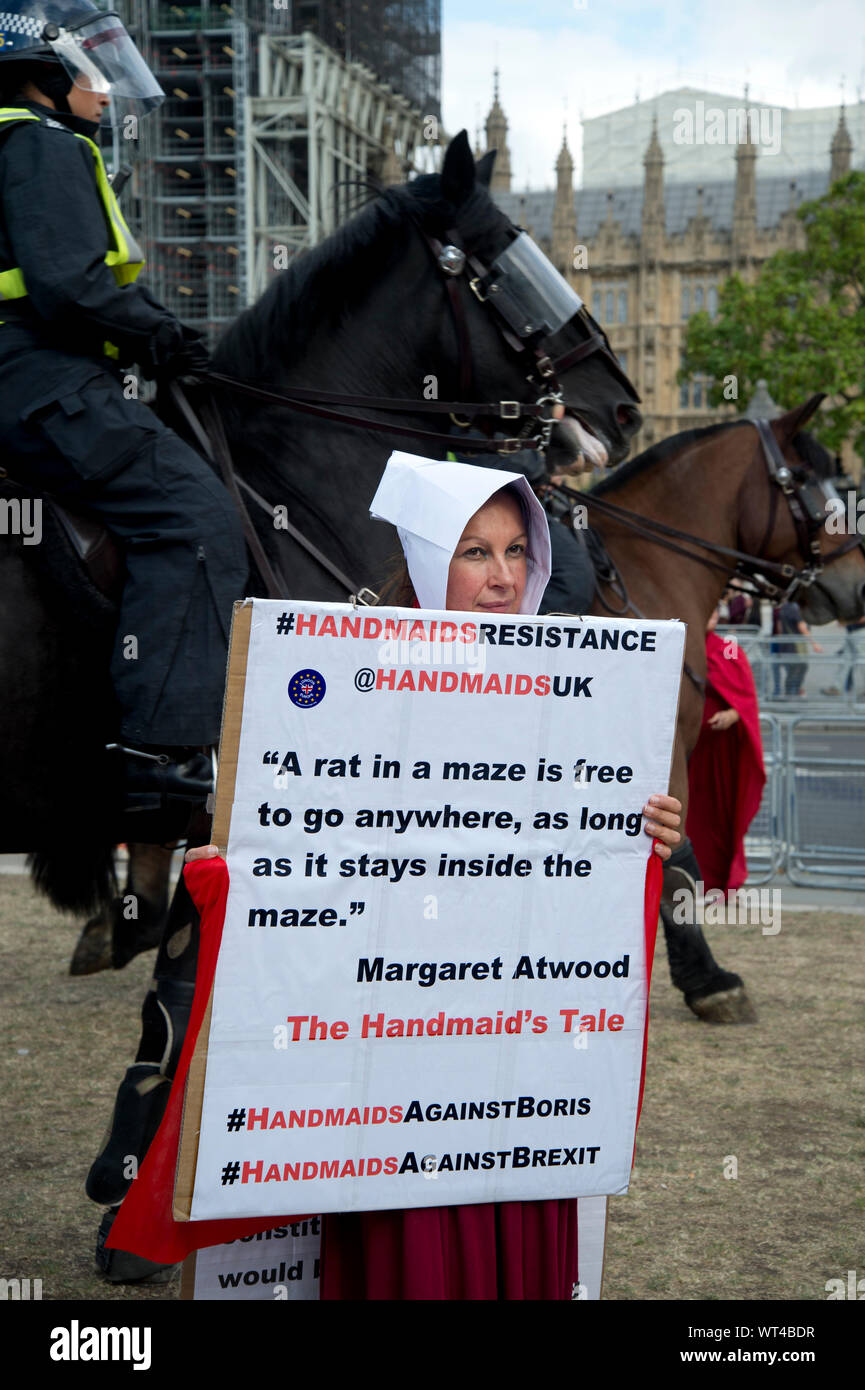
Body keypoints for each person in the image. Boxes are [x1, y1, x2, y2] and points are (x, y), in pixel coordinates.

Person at [145, 456, 682, 1300]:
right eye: (474, 552)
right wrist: (240, 867)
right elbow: (306, 845)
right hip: (399, 1066)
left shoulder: (577, 698)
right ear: (430, 562)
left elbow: (572, 873)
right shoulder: (352, 681)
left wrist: (638, 836)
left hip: (520, 1064)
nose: (503, 579)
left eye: (515, 553)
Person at [0, 0, 248, 818]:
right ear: (45, 74)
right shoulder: (39, 146)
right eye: (94, 74)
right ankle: (163, 756)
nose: (106, 96)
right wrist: (162, 336)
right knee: (193, 517)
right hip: (39, 379)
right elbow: (68, 284)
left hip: (34, 372)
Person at [686, 608, 766, 894]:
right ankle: (692, 880)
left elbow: (746, 693)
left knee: (720, 816)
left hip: (721, 752)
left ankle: (720, 883)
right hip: (689, 749)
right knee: (690, 815)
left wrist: (734, 714)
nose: (709, 615)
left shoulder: (728, 648)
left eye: (714, 611)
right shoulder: (681, 644)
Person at [769, 600, 823, 697]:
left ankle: (790, 693)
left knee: (793, 670)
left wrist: (782, 642)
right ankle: (792, 693)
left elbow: (779, 627)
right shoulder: (794, 608)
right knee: (799, 669)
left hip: (786, 645)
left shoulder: (783, 608)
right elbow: (802, 627)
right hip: (795, 646)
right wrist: (814, 644)